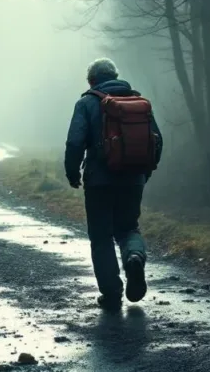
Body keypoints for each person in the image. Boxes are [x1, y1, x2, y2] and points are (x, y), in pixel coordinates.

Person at [64, 58, 163, 312]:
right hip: (133, 177)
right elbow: (157, 141)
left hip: (99, 180)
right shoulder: (138, 103)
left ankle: (111, 294)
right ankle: (134, 257)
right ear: (116, 76)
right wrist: (145, 172)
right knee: (129, 228)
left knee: (101, 237)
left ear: (92, 81)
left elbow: (75, 142)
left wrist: (73, 173)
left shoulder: (86, 102)